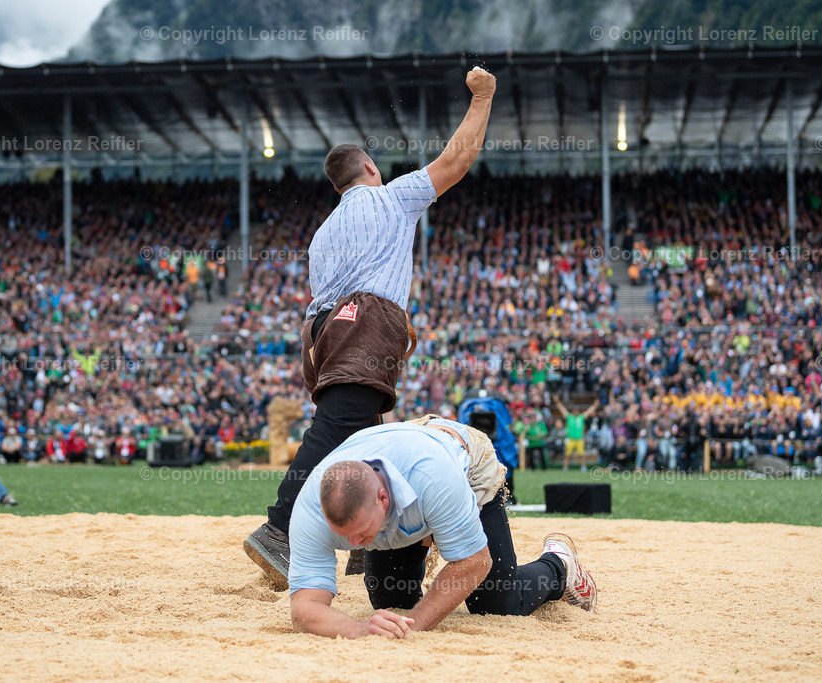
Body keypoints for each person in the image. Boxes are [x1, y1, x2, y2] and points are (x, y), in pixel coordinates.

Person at [244, 66, 498, 588]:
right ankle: (278, 528)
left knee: (363, 433)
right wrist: (483, 98)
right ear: (369, 167)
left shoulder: (322, 232)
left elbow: (326, 303)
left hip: (320, 332)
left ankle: (368, 549)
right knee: (337, 428)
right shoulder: (391, 198)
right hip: (366, 322)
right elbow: (458, 159)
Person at [288, 417, 597, 639]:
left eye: (360, 532)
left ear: (383, 498)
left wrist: (415, 625)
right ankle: (422, 535)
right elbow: (305, 607)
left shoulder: (435, 477)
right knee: (391, 601)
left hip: (462, 460)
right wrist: (358, 629)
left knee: (498, 602)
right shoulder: (310, 510)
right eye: (344, 535)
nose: (354, 543)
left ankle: (558, 566)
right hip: (408, 472)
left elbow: (476, 561)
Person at [563, 400, 598, 471]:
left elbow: (589, 411)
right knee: (567, 455)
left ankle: (583, 468)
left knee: (581, 455)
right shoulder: (569, 417)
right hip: (570, 439)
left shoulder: (581, 417)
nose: (576, 411)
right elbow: (562, 409)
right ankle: (565, 468)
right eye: (575, 410)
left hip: (579, 439)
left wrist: (595, 405)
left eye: (577, 410)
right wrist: (557, 402)